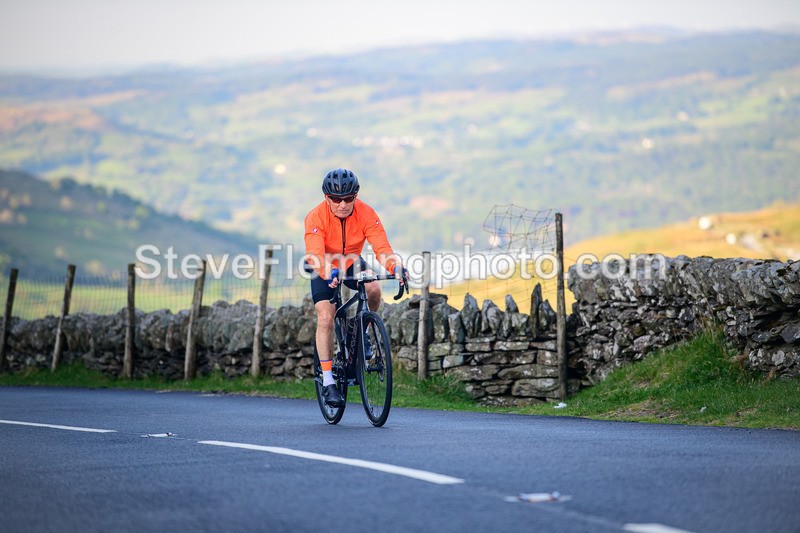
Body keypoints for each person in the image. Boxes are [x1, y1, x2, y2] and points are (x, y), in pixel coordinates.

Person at [304, 168, 407, 407]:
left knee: (373, 289)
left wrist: (396, 267)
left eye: (348, 198)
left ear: (355, 196)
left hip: (351, 260)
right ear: (326, 197)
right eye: (336, 199)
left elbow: (382, 248)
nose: (342, 204)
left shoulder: (366, 213)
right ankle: (328, 381)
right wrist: (328, 272)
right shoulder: (315, 216)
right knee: (326, 316)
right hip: (323, 264)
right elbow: (315, 253)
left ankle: (362, 332)